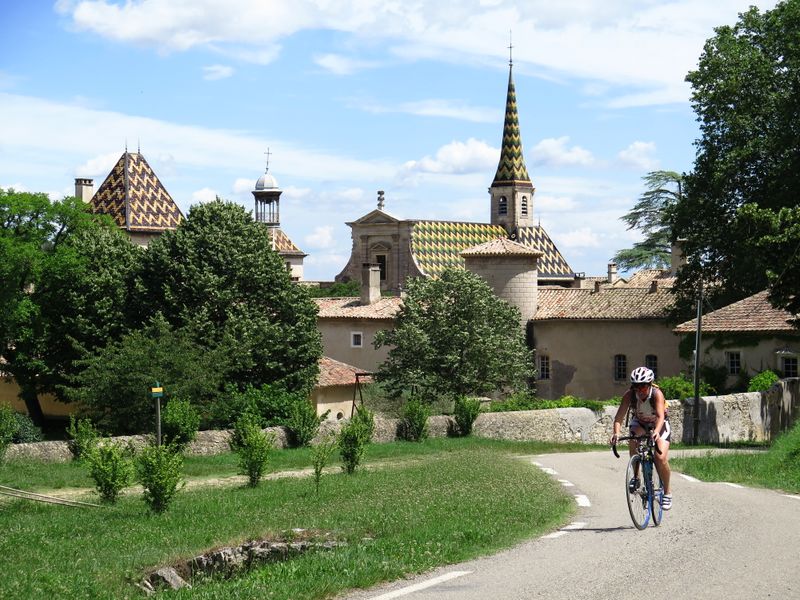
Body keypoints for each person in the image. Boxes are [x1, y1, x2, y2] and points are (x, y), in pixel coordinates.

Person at [610, 366, 672, 510]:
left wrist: (656, 431)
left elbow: (660, 416)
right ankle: (636, 477)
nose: (640, 389)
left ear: (649, 384)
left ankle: (667, 493)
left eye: (643, 386)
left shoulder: (656, 394)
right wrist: (616, 433)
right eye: (636, 386)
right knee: (633, 439)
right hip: (640, 422)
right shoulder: (629, 395)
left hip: (659, 423)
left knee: (660, 457)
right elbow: (619, 417)